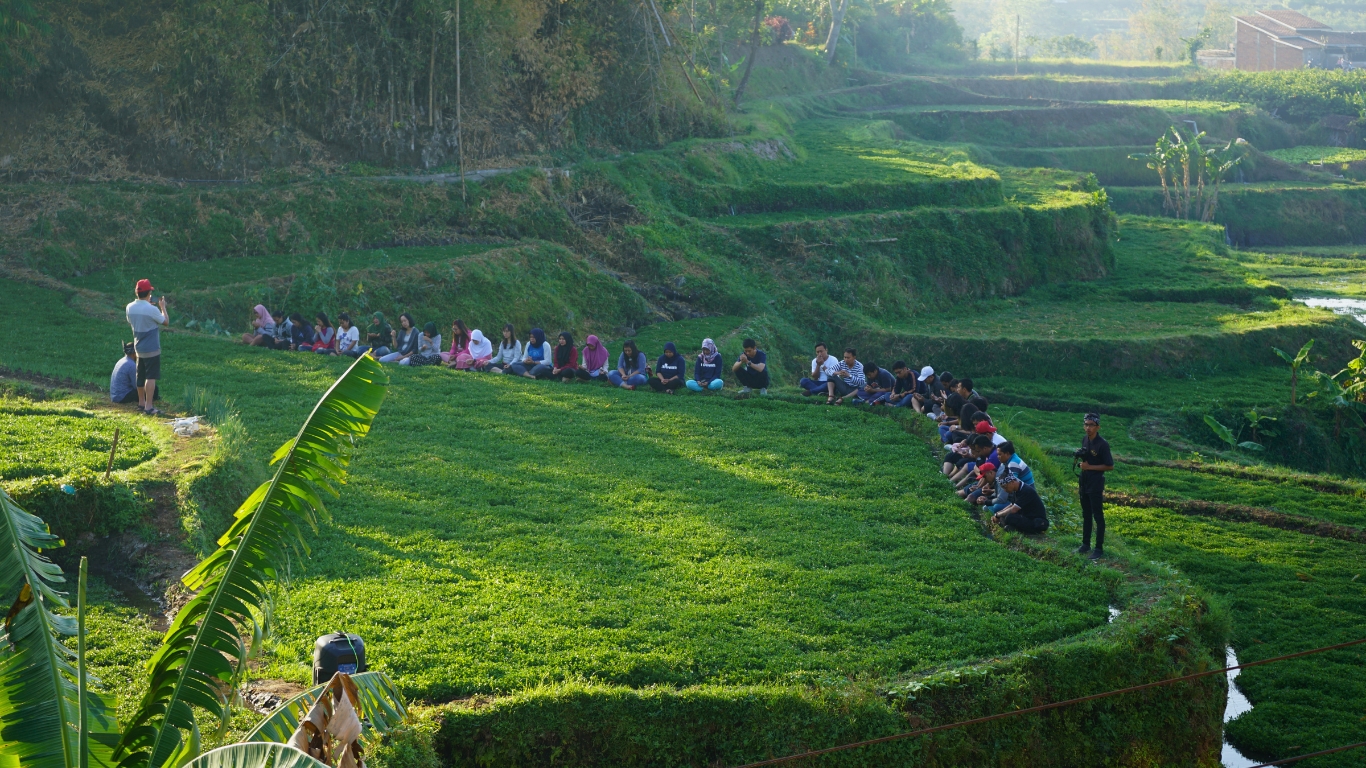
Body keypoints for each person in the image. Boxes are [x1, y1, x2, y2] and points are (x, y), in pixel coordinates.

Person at [125, 279, 169, 415]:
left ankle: (141, 403)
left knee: (140, 376)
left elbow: (132, 321)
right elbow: (165, 322)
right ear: (149, 293)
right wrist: (163, 307)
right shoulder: (152, 309)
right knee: (151, 377)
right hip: (152, 349)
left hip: (138, 347)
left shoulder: (129, 307)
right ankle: (149, 407)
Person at [1076, 412, 1114, 560]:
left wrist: (1089, 467)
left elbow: (1110, 466)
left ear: (1098, 427)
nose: (1088, 428)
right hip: (1084, 481)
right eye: (1086, 424)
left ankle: (1098, 548)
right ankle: (1085, 544)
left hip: (1096, 484)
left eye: (1091, 425)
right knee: (1086, 514)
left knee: (1098, 516)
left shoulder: (1102, 444)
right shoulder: (1085, 439)